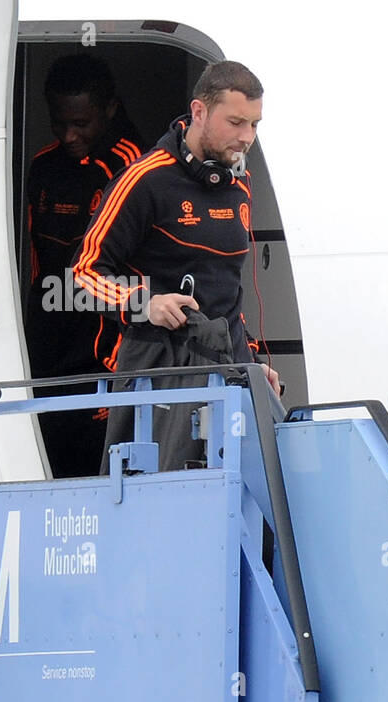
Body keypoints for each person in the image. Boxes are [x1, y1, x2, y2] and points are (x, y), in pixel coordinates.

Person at [71, 60, 279, 471]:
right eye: (236, 122)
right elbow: (81, 276)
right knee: (161, 502)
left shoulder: (240, 183)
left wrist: (252, 359)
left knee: (255, 496)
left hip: (229, 365)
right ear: (199, 111)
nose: (246, 138)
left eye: (255, 124)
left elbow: (225, 292)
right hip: (157, 369)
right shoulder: (145, 179)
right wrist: (143, 303)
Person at [25, 53, 142, 477]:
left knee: (98, 466)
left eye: (82, 123)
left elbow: (134, 266)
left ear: (109, 110)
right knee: (51, 457)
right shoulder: (42, 166)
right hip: (51, 339)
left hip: (102, 348)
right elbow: (38, 264)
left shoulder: (129, 165)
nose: (70, 134)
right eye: (61, 123)